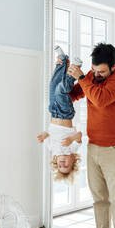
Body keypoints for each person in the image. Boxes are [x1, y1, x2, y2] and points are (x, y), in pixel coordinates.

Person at [67, 43, 115, 228]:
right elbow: (75, 94)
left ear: (113, 67)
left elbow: (100, 99)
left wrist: (82, 77)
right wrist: (63, 76)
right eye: (94, 70)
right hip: (93, 146)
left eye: (101, 71)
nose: (96, 74)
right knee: (99, 201)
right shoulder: (91, 76)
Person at [37, 46, 83, 182]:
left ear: (56, 162)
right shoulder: (72, 149)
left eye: (60, 166)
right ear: (73, 160)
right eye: (66, 166)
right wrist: (71, 139)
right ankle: (75, 68)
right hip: (65, 114)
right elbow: (80, 135)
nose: (62, 164)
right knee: (60, 91)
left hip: (53, 112)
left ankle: (63, 61)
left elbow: (47, 135)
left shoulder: (52, 149)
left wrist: (43, 135)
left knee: (53, 85)